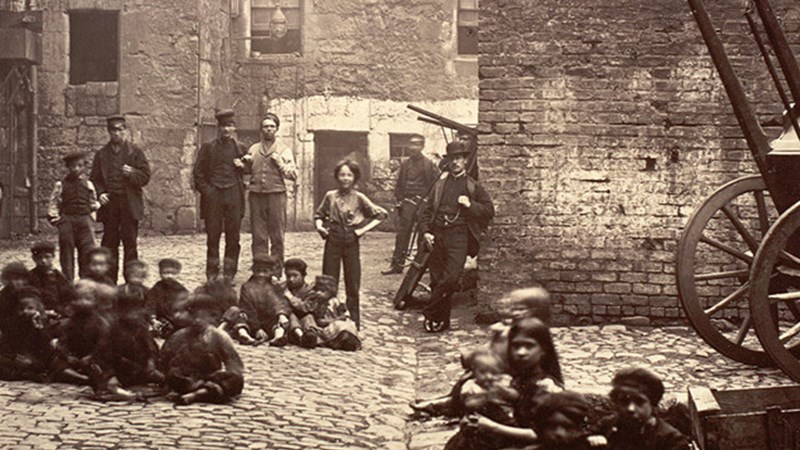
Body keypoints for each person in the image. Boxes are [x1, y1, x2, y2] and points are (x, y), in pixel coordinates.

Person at [445, 317, 564, 450]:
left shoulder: (547, 386)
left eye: (529, 346)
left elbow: (543, 436)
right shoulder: (520, 377)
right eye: (516, 346)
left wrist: (492, 427)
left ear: (544, 350)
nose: (521, 352)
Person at [418, 140, 494, 333]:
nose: (455, 162)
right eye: (452, 158)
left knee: (451, 279)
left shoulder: (472, 186)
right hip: (437, 236)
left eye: (459, 158)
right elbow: (425, 211)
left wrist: (470, 205)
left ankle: (429, 311)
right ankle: (441, 321)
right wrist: (426, 231)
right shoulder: (440, 184)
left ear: (465, 161)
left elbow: (488, 210)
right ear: (448, 160)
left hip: (458, 237)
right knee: (436, 280)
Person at [314, 159, 387, 330]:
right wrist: (320, 228)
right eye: (342, 175)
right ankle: (326, 317)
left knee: (352, 282)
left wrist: (362, 231)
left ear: (354, 178)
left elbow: (381, 215)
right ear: (337, 177)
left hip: (351, 239)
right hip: (333, 237)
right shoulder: (330, 196)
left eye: (349, 175)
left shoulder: (360, 198)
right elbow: (318, 215)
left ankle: (354, 321)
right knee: (328, 280)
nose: (345, 178)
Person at [90, 115, 151, 283]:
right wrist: (101, 192)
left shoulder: (135, 152)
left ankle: (132, 282)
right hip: (110, 204)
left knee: (130, 243)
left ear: (124, 130)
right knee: (109, 243)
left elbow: (146, 176)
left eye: (119, 129)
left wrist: (132, 173)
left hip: (129, 204)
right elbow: (94, 178)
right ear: (108, 131)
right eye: (113, 130)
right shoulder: (101, 154)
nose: (116, 133)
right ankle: (109, 282)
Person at [193, 109, 249, 282]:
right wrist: (208, 192)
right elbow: (198, 173)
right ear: (219, 128)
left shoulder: (241, 148)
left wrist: (242, 166)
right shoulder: (208, 148)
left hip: (233, 194)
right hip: (214, 195)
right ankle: (212, 273)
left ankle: (229, 274)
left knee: (233, 237)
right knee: (213, 236)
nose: (227, 129)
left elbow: (249, 171)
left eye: (230, 126)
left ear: (234, 128)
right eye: (224, 126)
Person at [160, 293, 245, 405]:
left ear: (211, 317)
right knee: (173, 374)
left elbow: (235, 366)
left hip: (210, 378)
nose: (197, 321)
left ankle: (197, 394)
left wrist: (223, 375)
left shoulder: (219, 336)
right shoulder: (178, 336)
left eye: (202, 317)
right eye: (194, 317)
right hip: (187, 379)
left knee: (236, 379)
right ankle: (201, 392)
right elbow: (164, 363)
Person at [246, 113, 297, 270]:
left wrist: (280, 163)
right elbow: (247, 172)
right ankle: (261, 269)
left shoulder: (284, 150)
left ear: (277, 129)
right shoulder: (253, 149)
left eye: (272, 126)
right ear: (261, 129)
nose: (268, 129)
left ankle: (275, 270)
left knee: (277, 234)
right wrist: (244, 165)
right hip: (256, 195)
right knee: (258, 234)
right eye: (265, 126)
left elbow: (293, 175)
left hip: (276, 195)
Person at [382, 134, 439, 275]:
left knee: (422, 234)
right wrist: (400, 200)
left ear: (422, 146)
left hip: (423, 203)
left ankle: (420, 265)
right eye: (412, 144)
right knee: (402, 234)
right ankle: (397, 265)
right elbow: (400, 184)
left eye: (417, 144)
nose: (414, 147)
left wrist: (427, 201)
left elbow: (435, 185)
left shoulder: (429, 164)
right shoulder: (406, 164)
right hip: (408, 203)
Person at [596, 368, 689, 450]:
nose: (630, 408)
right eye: (625, 401)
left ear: (652, 403)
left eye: (639, 402)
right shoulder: (607, 426)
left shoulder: (671, 440)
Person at [48, 151, 100, 281]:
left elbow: (93, 201)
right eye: (72, 166)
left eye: (79, 166)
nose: (75, 169)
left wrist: (92, 214)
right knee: (67, 254)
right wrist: (56, 219)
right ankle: (68, 283)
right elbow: (54, 202)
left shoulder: (88, 184)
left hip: (85, 222)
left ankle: (86, 282)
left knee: (88, 252)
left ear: (83, 167)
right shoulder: (60, 185)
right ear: (68, 167)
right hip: (68, 221)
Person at [238, 256, 294, 347]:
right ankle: (244, 335)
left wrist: (281, 315)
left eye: (265, 272)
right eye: (258, 271)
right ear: (253, 271)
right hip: (252, 322)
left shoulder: (274, 286)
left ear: (271, 272)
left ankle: (278, 336)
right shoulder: (247, 287)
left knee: (279, 321)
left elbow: (280, 302)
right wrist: (257, 329)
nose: (261, 275)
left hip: (269, 320)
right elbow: (248, 308)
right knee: (241, 315)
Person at [304, 274, 361, 351]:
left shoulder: (335, 301)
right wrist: (334, 320)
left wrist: (342, 317)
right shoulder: (318, 304)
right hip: (327, 326)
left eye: (322, 291)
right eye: (317, 290)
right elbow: (319, 321)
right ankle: (336, 341)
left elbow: (344, 314)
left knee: (348, 325)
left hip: (338, 323)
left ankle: (346, 340)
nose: (318, 293)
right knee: (337, 326)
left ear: (330, 292)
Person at [145, 258, 189, 338]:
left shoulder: (181, 289)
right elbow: (150, 305)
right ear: (160, 273)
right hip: (163, 317)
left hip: (177, 316)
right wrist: (153, 319)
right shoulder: (156, 289)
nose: (169, 276)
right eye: (166, 273)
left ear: (178, 273)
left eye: (173, 273)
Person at [28, 241, 74, 315]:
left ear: (53, 257)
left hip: (59, 312)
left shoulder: (59, 276)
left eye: (47, 257)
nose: (43, 261)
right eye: (39, 257)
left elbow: (68, 295)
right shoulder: (30, 277)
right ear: (34, 259)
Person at [283, 257, 318, 348]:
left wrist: (290, 297)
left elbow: (307, 308)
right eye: (288, 276)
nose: (291, 279)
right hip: (288, 324)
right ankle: (301, 336)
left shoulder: (310, 290)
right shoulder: (282, 288)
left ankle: (311, 335)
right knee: (291, 315)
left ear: (303, 275)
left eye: (295, 276)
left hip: (305, 319)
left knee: (309, 317)